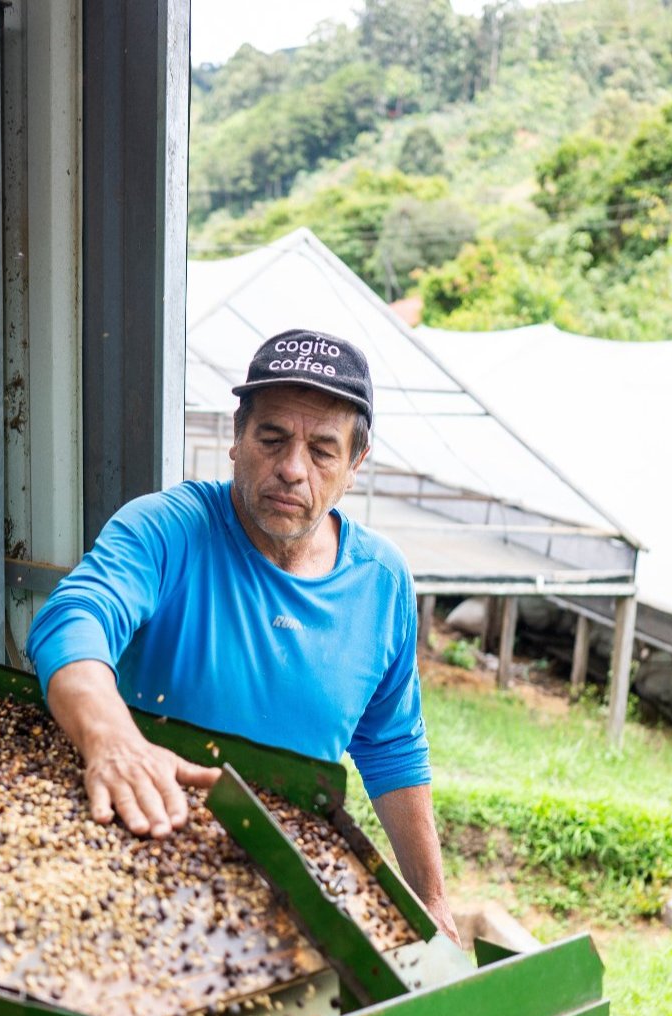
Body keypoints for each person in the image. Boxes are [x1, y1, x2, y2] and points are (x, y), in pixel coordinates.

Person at [26, 328, 458, 944]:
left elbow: (391, 747)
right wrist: (113, 741)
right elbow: (72, 621)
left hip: (284, 883)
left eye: (322, 450)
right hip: (139, 838)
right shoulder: (168, 529)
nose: (291, 469)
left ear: (356, 465)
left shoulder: (381, 580)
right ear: (236, 439)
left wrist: (432, 903)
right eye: (272, 438)